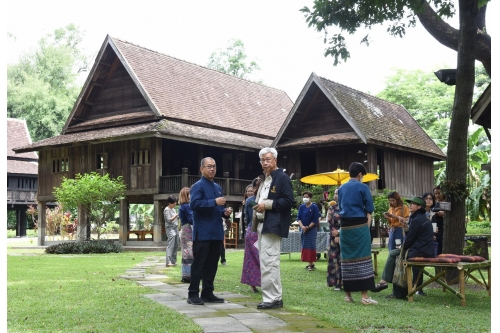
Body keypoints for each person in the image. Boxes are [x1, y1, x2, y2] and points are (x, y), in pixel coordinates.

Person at [251, 147, 294, 309]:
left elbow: (289, 201)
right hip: (262, 225)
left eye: (268, 159)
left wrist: (267, 205)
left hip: (273, 225)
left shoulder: (282, 178)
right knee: (266, 261)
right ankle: (273, 297)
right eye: (263, 160)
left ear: (275, 160)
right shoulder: (265, 180)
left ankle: (272, 299)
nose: (265, 162)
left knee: (270, 261)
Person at [187, 157, 232, 305]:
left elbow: (217, 210)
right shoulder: (197, 186)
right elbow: (194, 205)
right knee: (199, 263)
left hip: (216, 232)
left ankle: (207, 292)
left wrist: (224, 212)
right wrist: (214, 202)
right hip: (203, 232)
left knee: (212, 263)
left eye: (214, 166)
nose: (212, 169)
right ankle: (193, 293)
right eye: (209, 166)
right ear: (202, 169)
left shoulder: (218, 187)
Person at [372, 196, 435, 298]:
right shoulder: (418, 218)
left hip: (420, 251)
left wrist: (402, 247)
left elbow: (410, 239)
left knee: (394, 254)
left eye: (412, 204)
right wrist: (406, 228)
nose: (410, 205)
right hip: (421, 249)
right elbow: (413, 235)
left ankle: (385, 283)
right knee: (397, 256)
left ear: (419, 206)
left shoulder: (417, 219)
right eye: (410, 203)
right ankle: (396, 291)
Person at [338, 162, 378, 305]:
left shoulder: (341, 188)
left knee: (347, 257)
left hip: (344, 226)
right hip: (359, 225)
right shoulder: (363, 187)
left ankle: (348, 295)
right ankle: (364, 296)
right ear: (360, 174)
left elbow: (340, 207)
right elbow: (369, 207)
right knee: (363, 257)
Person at [241, 177, 262, 293]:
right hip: (253, 231)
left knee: (262, 258)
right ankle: (253, 283)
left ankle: (264, 282)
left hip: (262, 231)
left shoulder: (265, 199)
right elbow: (248, 218)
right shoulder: (250, 201)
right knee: (252, 258)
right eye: (257, 186)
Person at [297, 191, 320, 271]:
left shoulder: (314, 207)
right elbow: (298, 218)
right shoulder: (301, 207)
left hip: (311, 229)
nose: (305, 198)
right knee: (305, 245)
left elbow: (315, 219)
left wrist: (308, 227)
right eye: (304, 197)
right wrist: (302, 227)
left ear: (310, 198)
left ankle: (310, 264)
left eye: (307, 197)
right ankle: (310, 263)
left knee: (311, 245)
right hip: (303, 229)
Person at [327, 188, 342, 290]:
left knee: (343, 260)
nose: (336, 195)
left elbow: (348, 221)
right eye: (335, 194)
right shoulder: (332, 208)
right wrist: (335, 235)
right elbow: (330, 222)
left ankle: (343, 283)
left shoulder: (348, 207)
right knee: (334, 259)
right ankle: (334, 282)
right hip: (333, 237)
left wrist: (340, 233)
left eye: (338, 193)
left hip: (345, 235)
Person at [178, 187, 194, 282]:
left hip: (184, 230)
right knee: (189, 254)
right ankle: (189, 276)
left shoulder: (182, 206)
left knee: (186, 253)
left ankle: (186, 275)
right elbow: (191, 220)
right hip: (188, 231)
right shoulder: (187, 206)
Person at [164, 195, 180, 267]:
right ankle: (168, 261)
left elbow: (176, 218)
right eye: (174, 203)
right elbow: (169, 220)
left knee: (176, 245)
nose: (175, 204)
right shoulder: (166, 210)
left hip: (175, 228)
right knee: (171, 245)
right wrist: (176, 215)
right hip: (170, 229)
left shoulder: (173, 209)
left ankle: (173, 261)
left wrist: (178, 216)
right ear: (170, 203)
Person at [432, 186, 446, 256]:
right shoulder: (435, 202)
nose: (437, 195)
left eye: (438, 193)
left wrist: (443, 214)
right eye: (435, 194)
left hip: (443, 227)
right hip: (435, 227)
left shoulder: (446, 203)